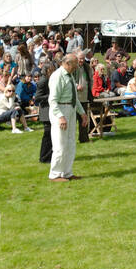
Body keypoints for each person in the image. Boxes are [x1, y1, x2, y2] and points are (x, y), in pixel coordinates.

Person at [47, 53, 86, 181]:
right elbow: (52, 100)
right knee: (60, 144)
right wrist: (60, 117)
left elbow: (74, 97)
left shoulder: (69, 76)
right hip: (61, 110)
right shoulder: (57, 77)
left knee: (70, 143)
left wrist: (82, 113)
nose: (77, 66)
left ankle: (67, 172)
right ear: (67, 63)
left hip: (70, 109)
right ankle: (55, 174)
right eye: (75, 64)